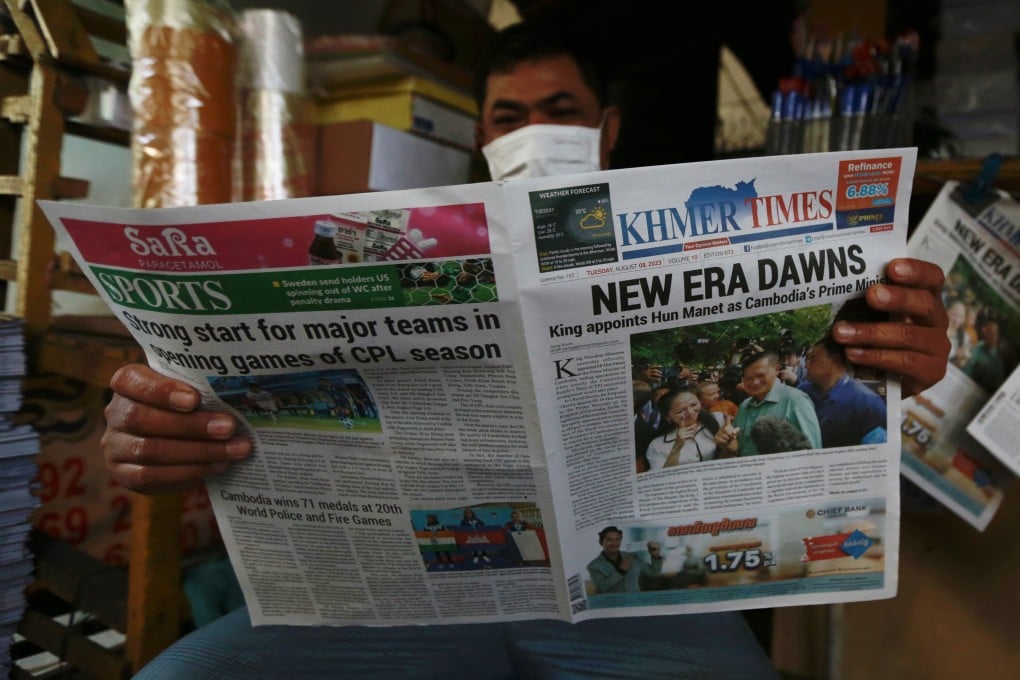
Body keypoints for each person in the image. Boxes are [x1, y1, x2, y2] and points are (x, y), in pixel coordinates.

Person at [123, 20, 944, 680]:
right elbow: (207, 401)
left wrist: (899, 357)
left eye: (561, 110)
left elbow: (855, 390)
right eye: (510, 118)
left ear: (607, 128)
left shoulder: (709, 242)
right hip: (406, 598)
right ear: (481, 133)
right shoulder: (385, 242)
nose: (534, 132)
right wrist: (159, 421)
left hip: (641, 600)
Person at [716, 351, 822, 456]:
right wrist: (730, 445)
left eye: (761, 375)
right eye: (749, 378)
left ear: (776, 369)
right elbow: (739, 448)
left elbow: (813, 452)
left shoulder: (796, 400)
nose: (755, 382)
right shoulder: (744, 406)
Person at [798, 337, 888, 448]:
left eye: (812, 359)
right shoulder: (802, 391)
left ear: (834, 361)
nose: (806, 365)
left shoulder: (867, 403)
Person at [644, 385, 726, 469]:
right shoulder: (657, 445)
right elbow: (660, 477)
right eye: (680, 411)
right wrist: (676, 448)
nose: (690, 412)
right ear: (667, 417)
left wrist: (730, 445)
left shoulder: (717, 421)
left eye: (694, 404)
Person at [586, 526, 663, 594]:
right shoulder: (593, 566)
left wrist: (655, 556)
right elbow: (603, 586)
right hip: (614, 606)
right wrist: (621, 570)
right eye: (609, 540)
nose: (614, 543)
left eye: (617, 539)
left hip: (636, 602)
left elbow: (654, 573)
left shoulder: (631, 557)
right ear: (601, 542)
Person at [962, 313, 1008, 392]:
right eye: (987, 330)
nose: (986, 332)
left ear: (998, 336)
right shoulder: (978, 346)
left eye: (992, 332)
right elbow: (966, 367)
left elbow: (996, 388)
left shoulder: (998, 363)